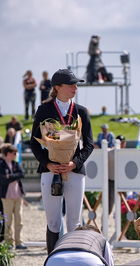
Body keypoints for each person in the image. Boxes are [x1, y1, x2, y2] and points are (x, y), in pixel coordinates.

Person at [30, 69, 94, 254]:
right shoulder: (44, 110)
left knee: (74, 220)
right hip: (50, 170)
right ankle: (53, 258)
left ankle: (74, 258)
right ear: (57, 87)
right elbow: (34, 142)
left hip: (74, 170)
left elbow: (89, 145)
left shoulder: (81, 111)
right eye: (71, 84)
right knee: (53, 220)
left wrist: (74, 163)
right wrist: (48, 163)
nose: (75, 88)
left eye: (76, 84)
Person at [44, 224, 114, 266]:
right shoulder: (100, 238)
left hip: (54, 261)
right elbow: (109, 263)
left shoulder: (65, 237)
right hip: (90, 261)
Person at [0, 144, 26, 249]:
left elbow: (22, 174)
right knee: (8, 220)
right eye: (14, 153)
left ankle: (19, 242)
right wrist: (14, 176)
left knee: (19, 220)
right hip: (6, 197)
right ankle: (9, 242)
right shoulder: (1, 165)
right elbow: (3, 179)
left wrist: (10, 176)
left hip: (18, 195)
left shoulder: (16, 163)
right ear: (7, 154)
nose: (16, 155)